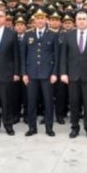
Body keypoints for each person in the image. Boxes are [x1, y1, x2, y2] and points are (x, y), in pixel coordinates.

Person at [60, 10, 87, 138]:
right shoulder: (68, 35)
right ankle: (74, 127)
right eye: (79, 19)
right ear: (75, 21)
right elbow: (63, 56)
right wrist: (63, 73)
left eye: (84, 19)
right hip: (72, 76)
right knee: (74, 103)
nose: (81, 21)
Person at [22, 8, 59, 137]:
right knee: (31, 102)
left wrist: (55, 73)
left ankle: (49, 128)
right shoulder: (28, 34)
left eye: (42, 18)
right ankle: (32, 127)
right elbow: (23, 56)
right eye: (37, 18)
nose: (40, 20)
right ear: (34, 20)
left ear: (46, 20)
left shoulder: (53, 35)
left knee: (48, 102)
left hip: (47, 74)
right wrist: (24, 73)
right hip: (31, 74)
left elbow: (56, 56)